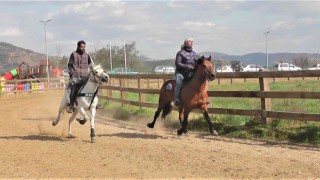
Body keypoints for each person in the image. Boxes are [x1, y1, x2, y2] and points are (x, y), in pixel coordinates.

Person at [67, 40, 94, 113]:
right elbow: (69, 65)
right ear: (78, 46)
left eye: (84, 47)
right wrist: (71, 72)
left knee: (94, 86)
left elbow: (91, 65)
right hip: (75, 76)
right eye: (82, 47)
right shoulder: (73, 54)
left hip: (85, 76)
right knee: (73, 89)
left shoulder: (87, 55)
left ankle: (94, 103)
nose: (83, 48)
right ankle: (71, 106)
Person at [174, 37, 198, 106]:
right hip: (181, 73)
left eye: (192, 42)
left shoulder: (194, 54)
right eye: (189, 41)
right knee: (179, 82)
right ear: (185, 43)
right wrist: (187, 66)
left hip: (190, 73)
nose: (191, 43)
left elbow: (196, 63)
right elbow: (177, 63)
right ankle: (177, 99)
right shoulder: (180, 53)